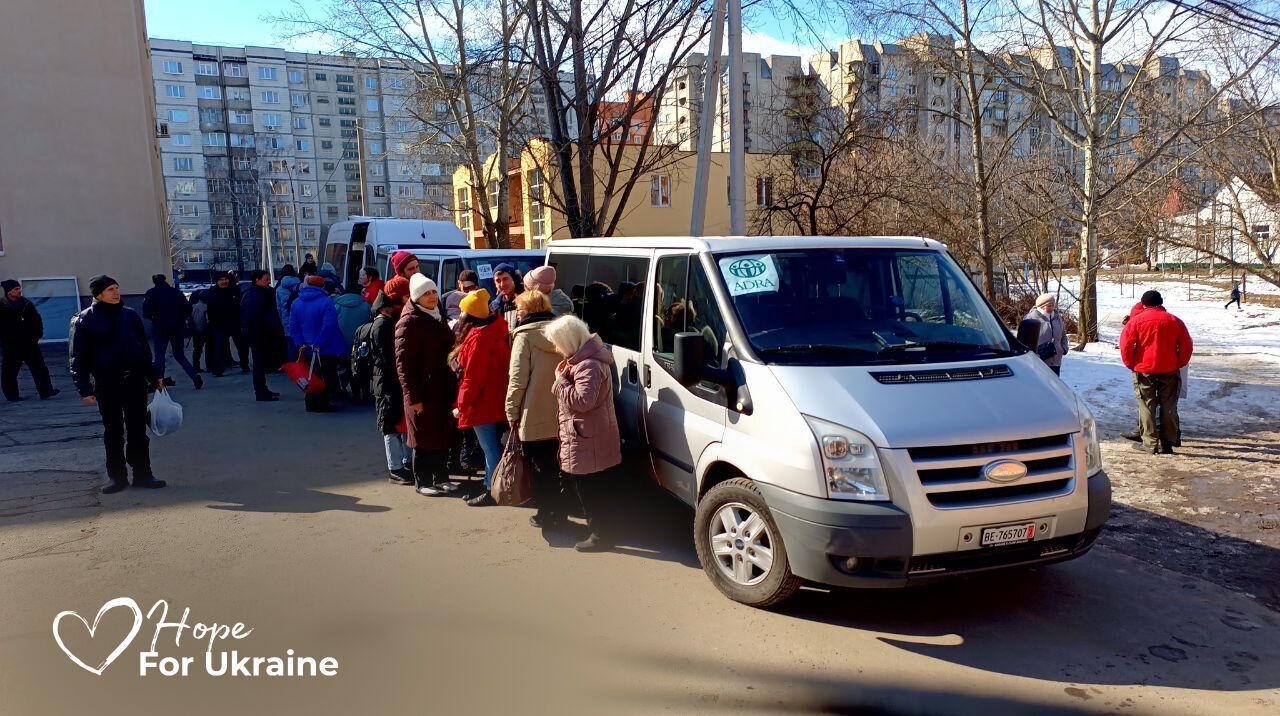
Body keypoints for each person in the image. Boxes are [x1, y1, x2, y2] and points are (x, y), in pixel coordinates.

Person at [69, 276, 166, 494]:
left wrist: (154, 375)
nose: (116, 292)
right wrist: (83, 387)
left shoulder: (130, 316)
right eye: (110, 289)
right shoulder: (84, 320)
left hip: (134, 381)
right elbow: (77, 357)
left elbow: (143, 349)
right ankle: (117, 477)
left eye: (117, 288)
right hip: (107, 383)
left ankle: (143, 474)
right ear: (98, 294)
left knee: (138, 431)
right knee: (113, 432)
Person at [545, 314, 622, 552]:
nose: (555, 348)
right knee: (594, 486)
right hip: (590, 434)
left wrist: (560, 382)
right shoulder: (584, 360)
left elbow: (583, 401)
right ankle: (602, 531)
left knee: (590, 488)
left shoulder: (587, 364)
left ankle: (601, 535)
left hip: (587, 436)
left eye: (557, 342)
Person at [505, 290, 566, 528]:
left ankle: (546, 513)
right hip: (562, 409)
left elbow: (517, 379)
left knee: (539, 468)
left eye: (519, 308)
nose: (517, 312)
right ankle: (561, 510)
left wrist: (511, 411)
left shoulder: (524, 336)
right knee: (559, 464)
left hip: (534, 413)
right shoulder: (562, 332)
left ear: (528, 310)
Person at [395, 273, 458, 496]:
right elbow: (403, 364)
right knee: (421, 438)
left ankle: (442, 478)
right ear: (416, 297)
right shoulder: (409, 322)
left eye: (433, 292)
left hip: (440, 388)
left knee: (441, 434)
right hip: (421, 390)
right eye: (426, 293)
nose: (432, 297)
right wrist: (413, 398)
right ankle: (423, 482)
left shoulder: (437, 316)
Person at [450, 289, 512, 506]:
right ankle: (490, 483)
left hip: (482, 402)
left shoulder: (479, 338)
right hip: (496, 396)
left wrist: (462, 405)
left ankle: (491, 490)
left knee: (489, 448)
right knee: (493, 446)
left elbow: (472, 378)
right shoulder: (499, 327)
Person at [1119, 290, 1193, 455]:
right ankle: (1169, 441)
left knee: (1146, 404)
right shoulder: (1174, 320)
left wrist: (1130, 363)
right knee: (1169, 405)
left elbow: (1126, 345)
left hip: (1144, 369)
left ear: (1143, 304)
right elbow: (1187, 346)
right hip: (1170, 369)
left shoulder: (1135, 321)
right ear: (1161, 303)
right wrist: (1179, 363)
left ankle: (1150, 442)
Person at [371, 289, 412, 484]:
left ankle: (400, 464)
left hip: (386, 380)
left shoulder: (383, 324)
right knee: (390, 425)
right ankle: (395, 468)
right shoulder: (382, 326)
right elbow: (388, 356)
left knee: (394, 423)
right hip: (386, 381)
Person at [289, 275, 346, 412]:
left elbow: (293, 325)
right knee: (326, 374)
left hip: (306, 348)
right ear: (322, 286)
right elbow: (329, 325)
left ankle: (310, 402)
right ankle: (324, 403)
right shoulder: (326, 302)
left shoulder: (296, 302)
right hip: (326, 347)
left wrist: (300, 343)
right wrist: (318, 343)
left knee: (310, 374)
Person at [0, 279, 58, 401]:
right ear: (8, 292)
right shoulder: (2, 305)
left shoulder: (26, 303)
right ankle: (12, 396)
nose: (19, 291)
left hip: (29, 343)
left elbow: (37, 320)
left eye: (19, 288)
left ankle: (46, 391)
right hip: (11, 345)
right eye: (15, 289)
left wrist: (37, 335)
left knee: (39, 368)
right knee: (9, 371)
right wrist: (4, 342)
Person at [142, 274, 201, 390]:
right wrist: (181, 319)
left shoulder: (151, 293)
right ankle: (195, 376)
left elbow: (146, 312)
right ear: (165, 280)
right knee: (179, 355)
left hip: (160, 328)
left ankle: (159, 382)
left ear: (154, 282)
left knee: (160, 356)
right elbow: (188, 308)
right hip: (177, 328)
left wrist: (155, 318)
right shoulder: (176, 292)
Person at [241, 270, 284, 402]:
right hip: (258, 335)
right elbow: (254, 318)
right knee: (259, 364)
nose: (269, 282)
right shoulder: (253, 296)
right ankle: (260, 391)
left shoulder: (264, 293)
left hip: (264, 334)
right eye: (266, 279)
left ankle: (263, 389)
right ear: (257, 280)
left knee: (262, 363)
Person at [204, 273, 246, 377]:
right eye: (221, 280)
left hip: (234, 322)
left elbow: (239, 306)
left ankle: (244, 365)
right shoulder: (212, 292)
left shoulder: (234, 290)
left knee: (241, 345)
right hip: (219, 324)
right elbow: (210, 310)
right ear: (217, 281)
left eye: (225, 279)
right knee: (219, 347)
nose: (224, 282)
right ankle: (218, 369)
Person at [1025, 293, 1069, 376]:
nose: (1052, 308)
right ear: (1042, 306)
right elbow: (1025, 341)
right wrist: (1035, 355)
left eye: (1053, 305)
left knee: (1054, 386)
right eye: (1049, 306)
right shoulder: (1031, 318)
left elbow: (1063, 335)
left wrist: (1063, 348)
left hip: (1056, 360)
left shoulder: (1057, 318)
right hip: (1039, 361)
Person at [276, 264, 302, 355]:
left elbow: (278, 308)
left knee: (290, 346)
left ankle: (292, 366)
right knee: (302, 345)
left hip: (287, 319)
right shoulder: (301, 286)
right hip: (300, 318)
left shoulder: (279, 289)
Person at [189, 288, 210, 373]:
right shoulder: (206, 307)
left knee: (197, 349)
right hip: (204, 330)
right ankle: (209, 365)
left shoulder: (194, 306)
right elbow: (207, 320)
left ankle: (196, 366)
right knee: (208, 347)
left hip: (195, 330)